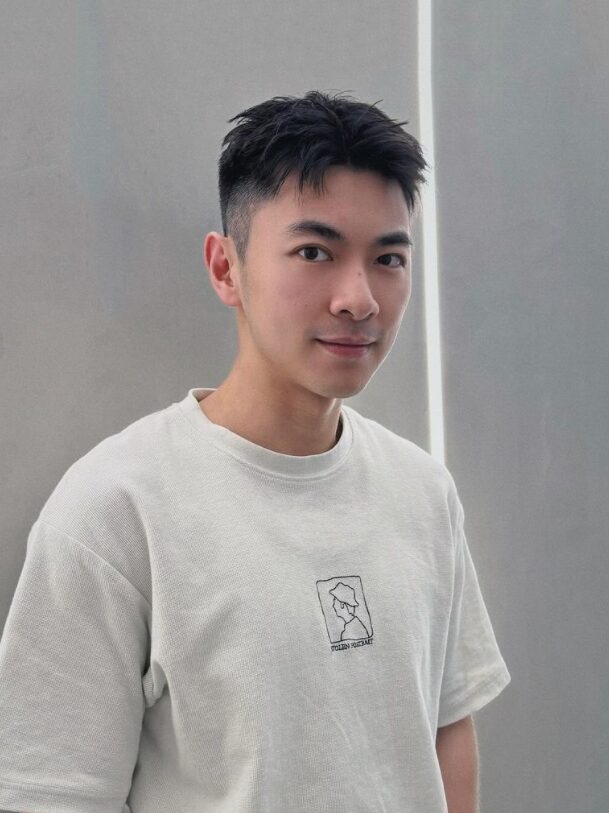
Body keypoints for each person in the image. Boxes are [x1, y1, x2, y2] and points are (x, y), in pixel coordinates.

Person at [0, 90, 511, 813]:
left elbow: (444, 725)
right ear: (225, 267)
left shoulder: (422, 491)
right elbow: (50, 792)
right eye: (314, 252)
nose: (358, 298)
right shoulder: (116, 510)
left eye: (388, 258)